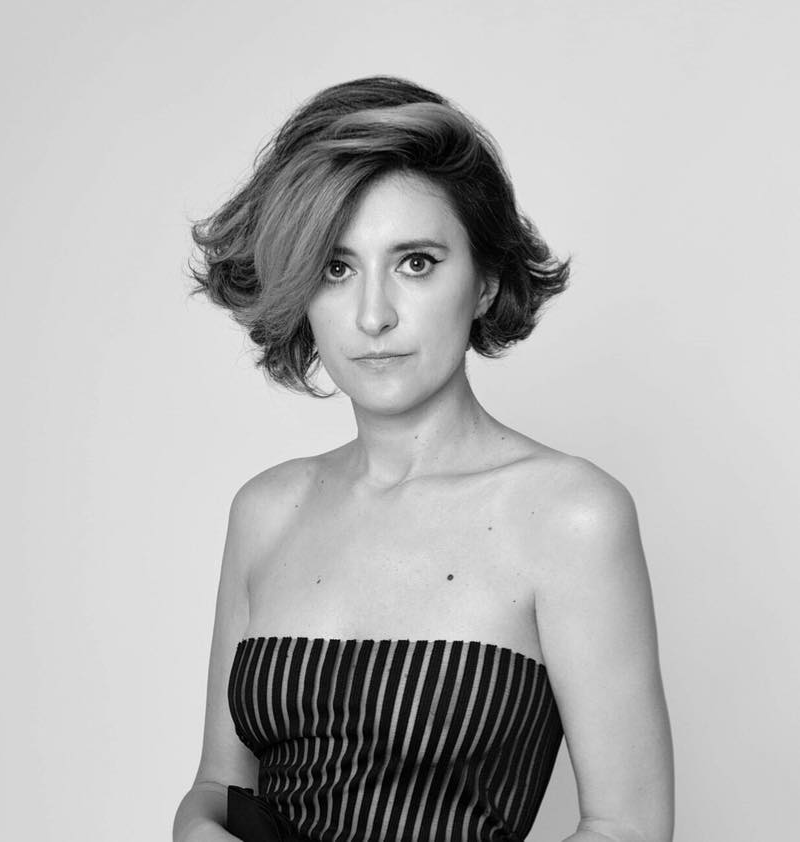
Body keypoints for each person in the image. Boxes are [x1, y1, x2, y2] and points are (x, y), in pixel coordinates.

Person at [172, 76, 674, 842]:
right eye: (336, 268)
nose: (373, 315)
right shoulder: (266, 511)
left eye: (415, 262)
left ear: (485, 283)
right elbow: (218, 785)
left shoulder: (570, 516)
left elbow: (626, 828)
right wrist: (197, 830)